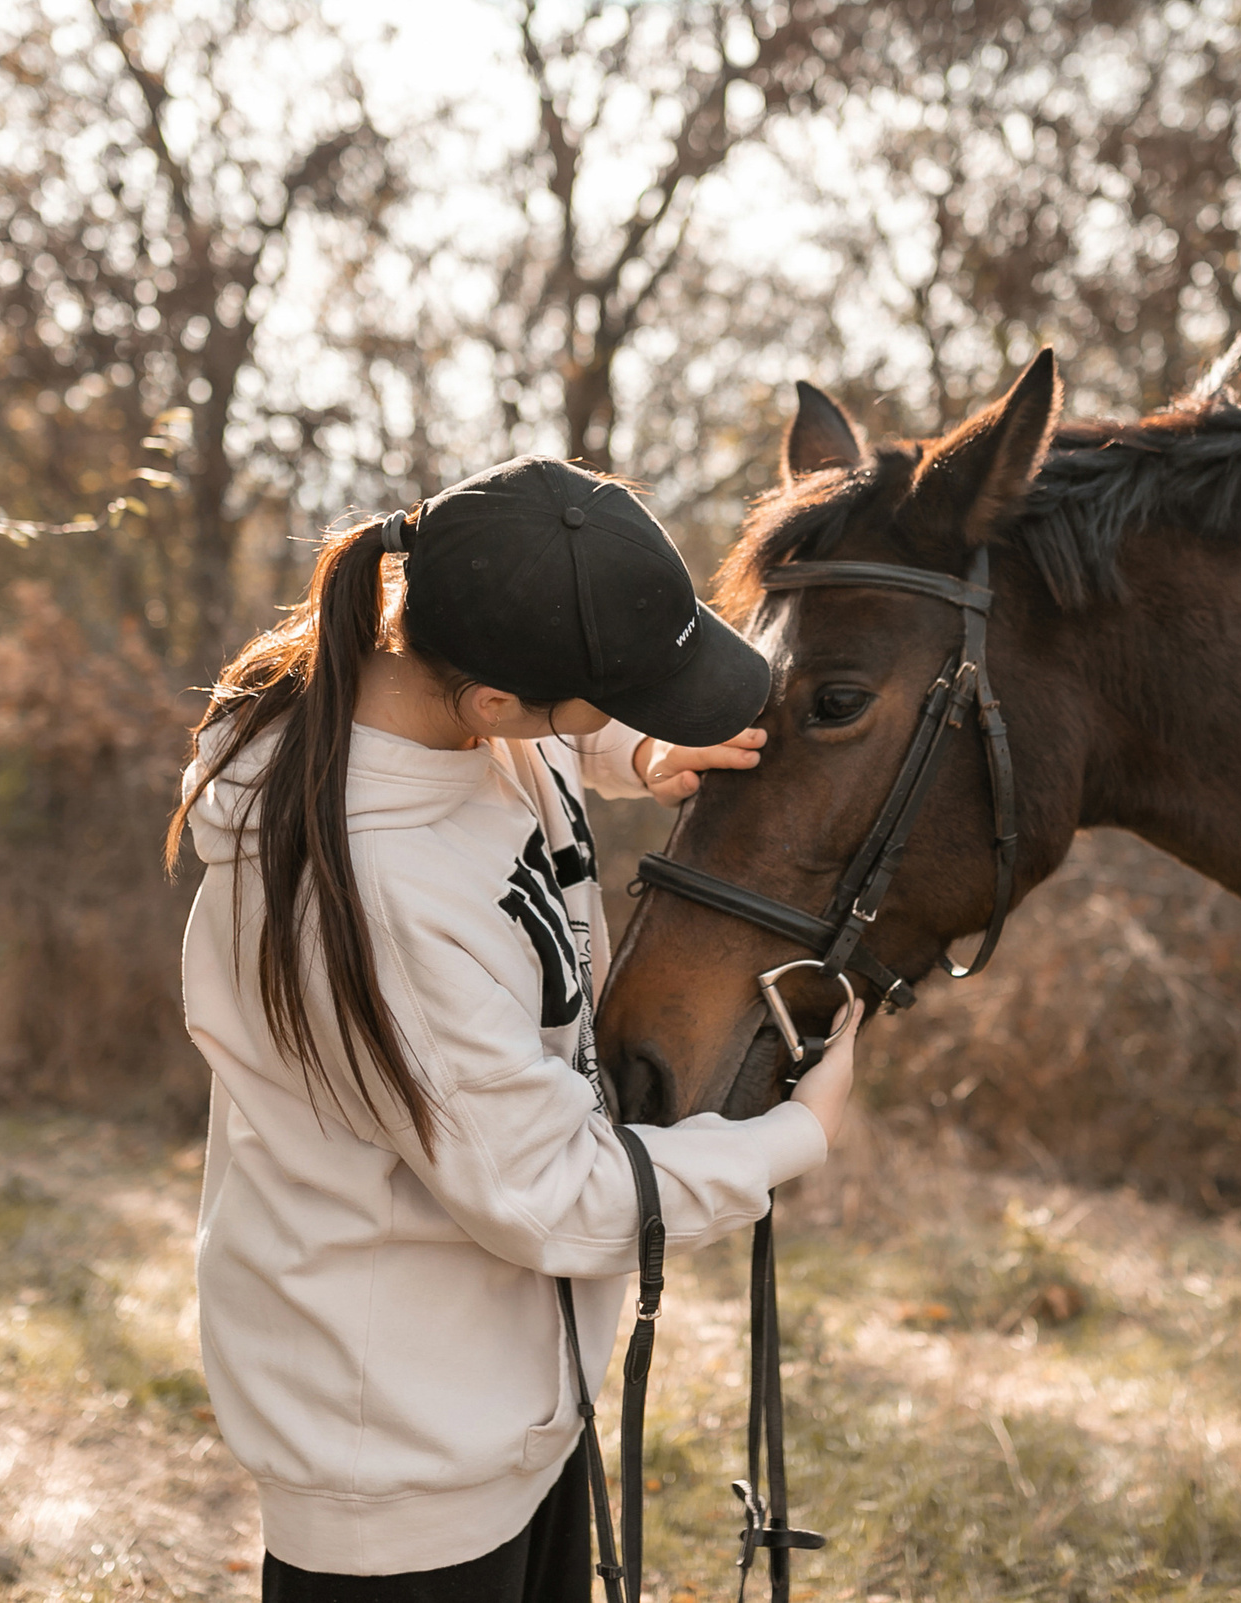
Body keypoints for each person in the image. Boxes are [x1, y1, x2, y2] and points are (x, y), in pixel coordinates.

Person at [168, 457, 857, 1602]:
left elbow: (544, 734)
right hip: (399, 1462)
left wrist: (637, 751)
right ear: (492, 702)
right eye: (615, 698)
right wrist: (795, 1137)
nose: (625, 718)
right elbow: (549, 1192)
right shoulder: (381, 892)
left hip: (510, 1397)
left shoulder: (434, 694)